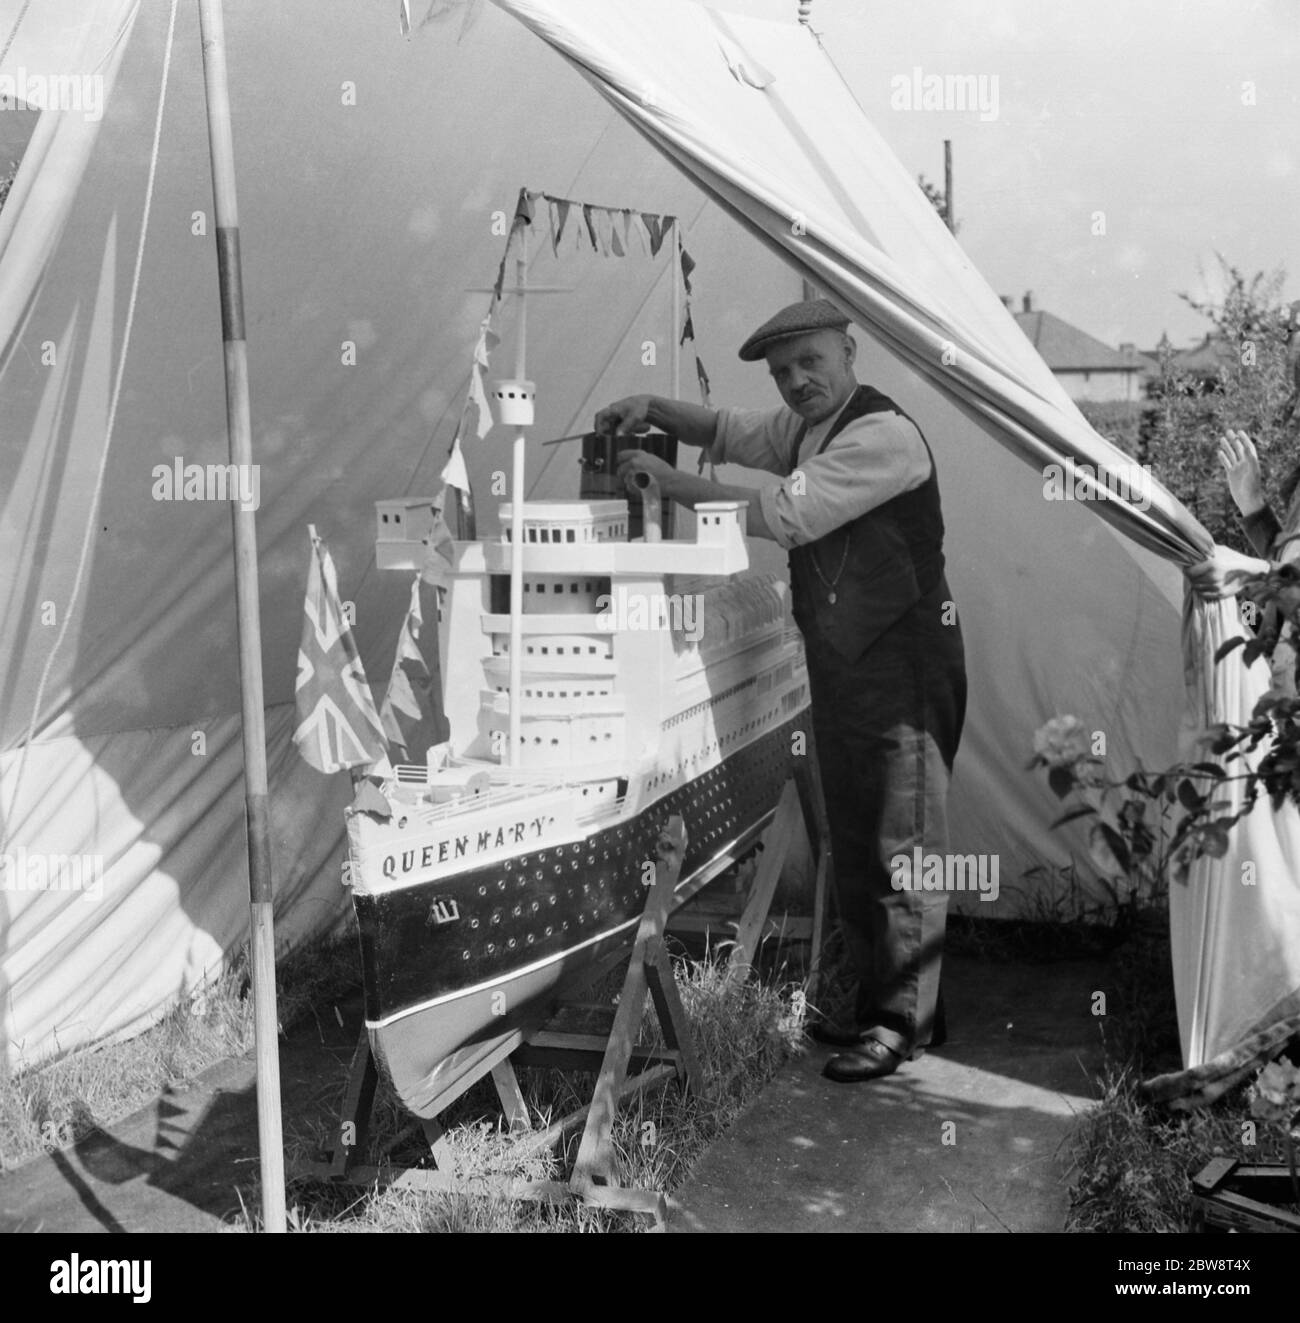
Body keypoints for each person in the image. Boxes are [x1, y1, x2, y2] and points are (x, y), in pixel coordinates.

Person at [594, 298, 967, 1082]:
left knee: (908, 846)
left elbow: (783, 513)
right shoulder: (808, 426)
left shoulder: (884, 436)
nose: (797, 383)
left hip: (907, 671)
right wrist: (656, 409)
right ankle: (883, 1008)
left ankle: (906, 1024)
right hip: (846, 669)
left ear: (850, 351)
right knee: (860, 841)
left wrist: (668, 480)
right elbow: (730, 429)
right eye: (783, 373)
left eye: (811, 364)